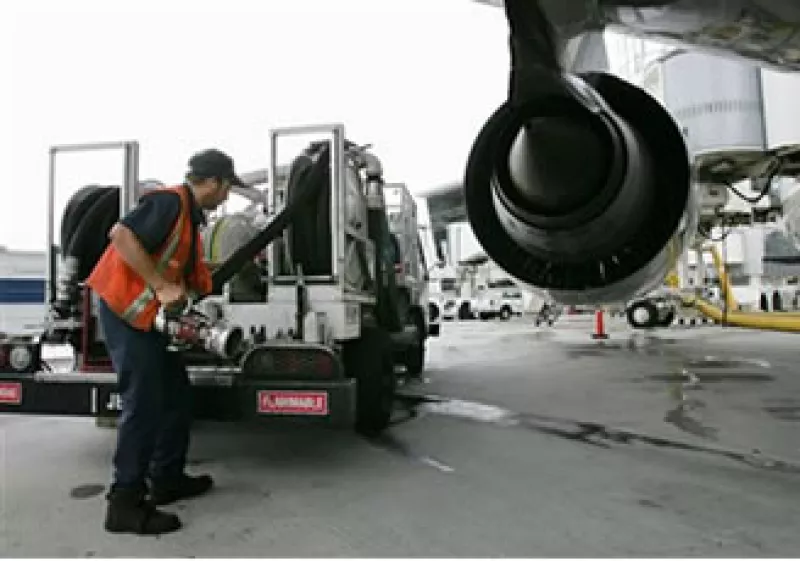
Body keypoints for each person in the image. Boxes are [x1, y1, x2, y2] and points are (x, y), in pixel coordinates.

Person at [86, 149, 244, 535]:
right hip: (126, 313)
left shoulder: (190, 220)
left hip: (146, 319)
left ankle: (167, 479)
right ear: (212, 182)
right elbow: (121, 235)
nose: (227, 197)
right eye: (226, 189)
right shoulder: (169, 202)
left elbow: (180, 269)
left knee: (175, 394)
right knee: (143, 403)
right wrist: (160, 285)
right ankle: (124, 503)